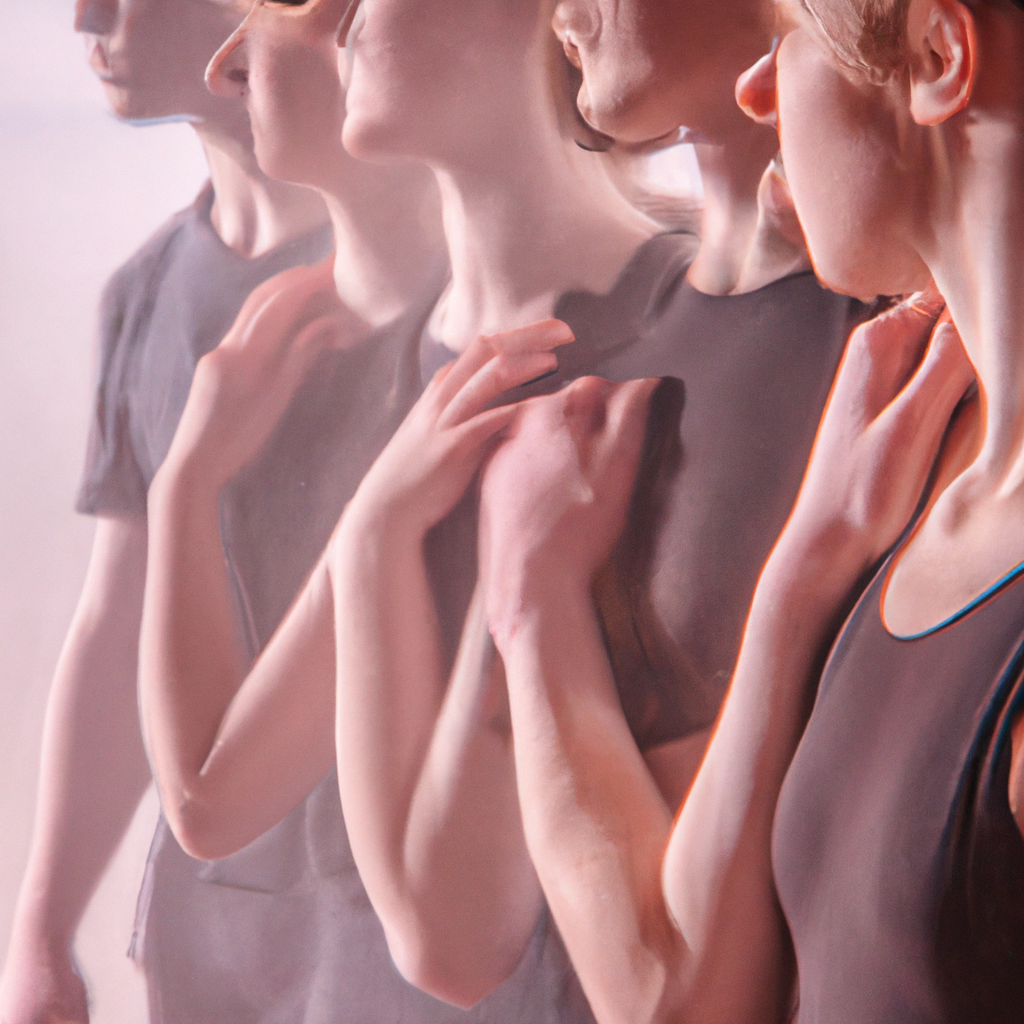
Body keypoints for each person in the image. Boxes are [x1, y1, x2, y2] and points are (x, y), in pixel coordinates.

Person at [479, 0, 1024, 1020]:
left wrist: (525, 593)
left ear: (938, 56)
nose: (755, 90)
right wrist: (804, 570)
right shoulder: (917, 480)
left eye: (789, 39)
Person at [0, 1, 332, 1022]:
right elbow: (115, 626)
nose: (83, 19)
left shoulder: (410, 277)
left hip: (380, 926)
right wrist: (43, 932)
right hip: (206, 929)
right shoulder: (147, 289)